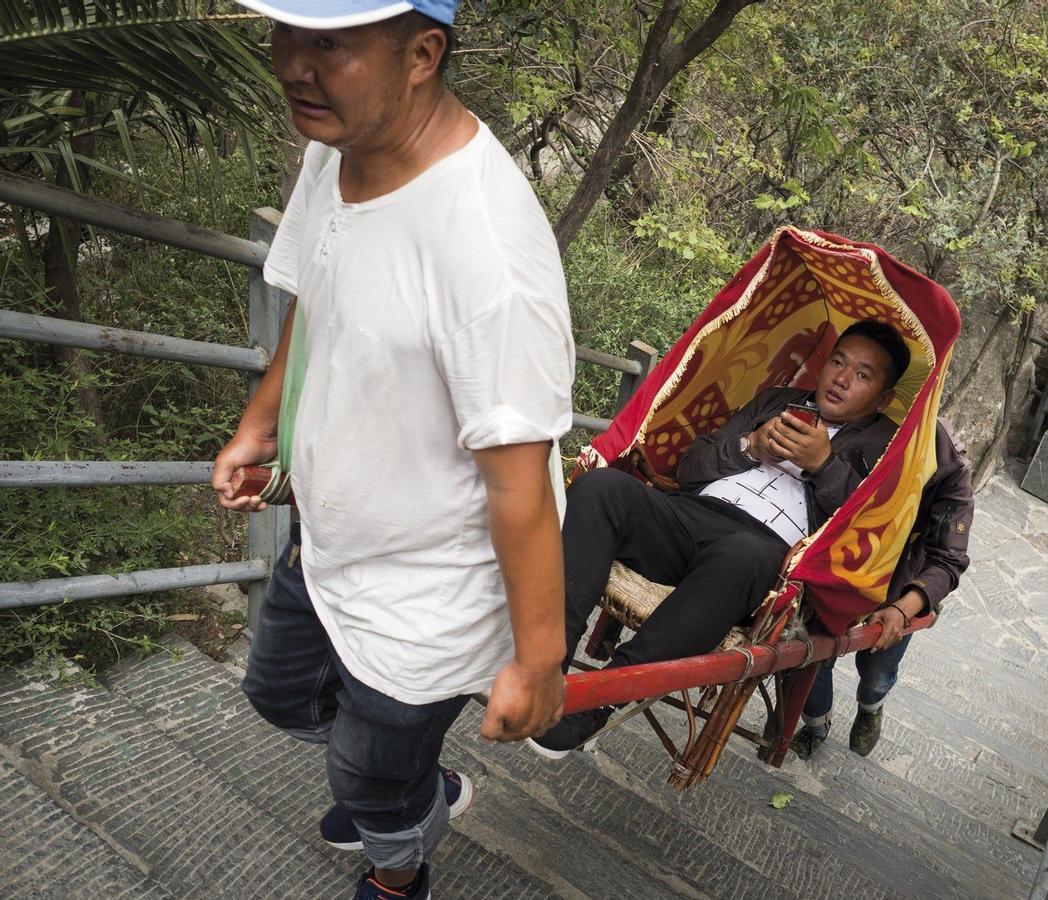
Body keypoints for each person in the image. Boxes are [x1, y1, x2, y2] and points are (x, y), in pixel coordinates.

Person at [211, 3, 575, 898]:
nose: (292, 64)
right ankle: (410, 784)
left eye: (328, 42)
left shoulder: (486, 253)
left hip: (429, 591)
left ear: (421, 54)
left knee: (364, 778)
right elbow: (321, 295)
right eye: (286, 33)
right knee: (279, 696)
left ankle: (398, 866)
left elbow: (520, 486)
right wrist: (262, 423)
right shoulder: (340, 145)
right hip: (334, 537)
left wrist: (539, 662)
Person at [531, 320, 911, 758]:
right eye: (838, 363)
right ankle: (544, 667)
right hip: (689, 516)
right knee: (601, 488)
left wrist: (824, 465)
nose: (841, 379)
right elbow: (690, 467)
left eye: (862, 375)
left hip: (761, 554)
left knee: (745, 553)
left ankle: (599, 698)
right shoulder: (777, 401)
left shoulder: (888, 448)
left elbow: (868, 533)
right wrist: (750, 447)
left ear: (883, 398)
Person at [791, 418, 973, 761]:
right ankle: (815, 727)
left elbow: (949, 558)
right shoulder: (850, 424)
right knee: (810, 664)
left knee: (877, 672)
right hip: (833, 575)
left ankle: (871, 708)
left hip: (899, 588)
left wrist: (905, 608)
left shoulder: (948, 465)